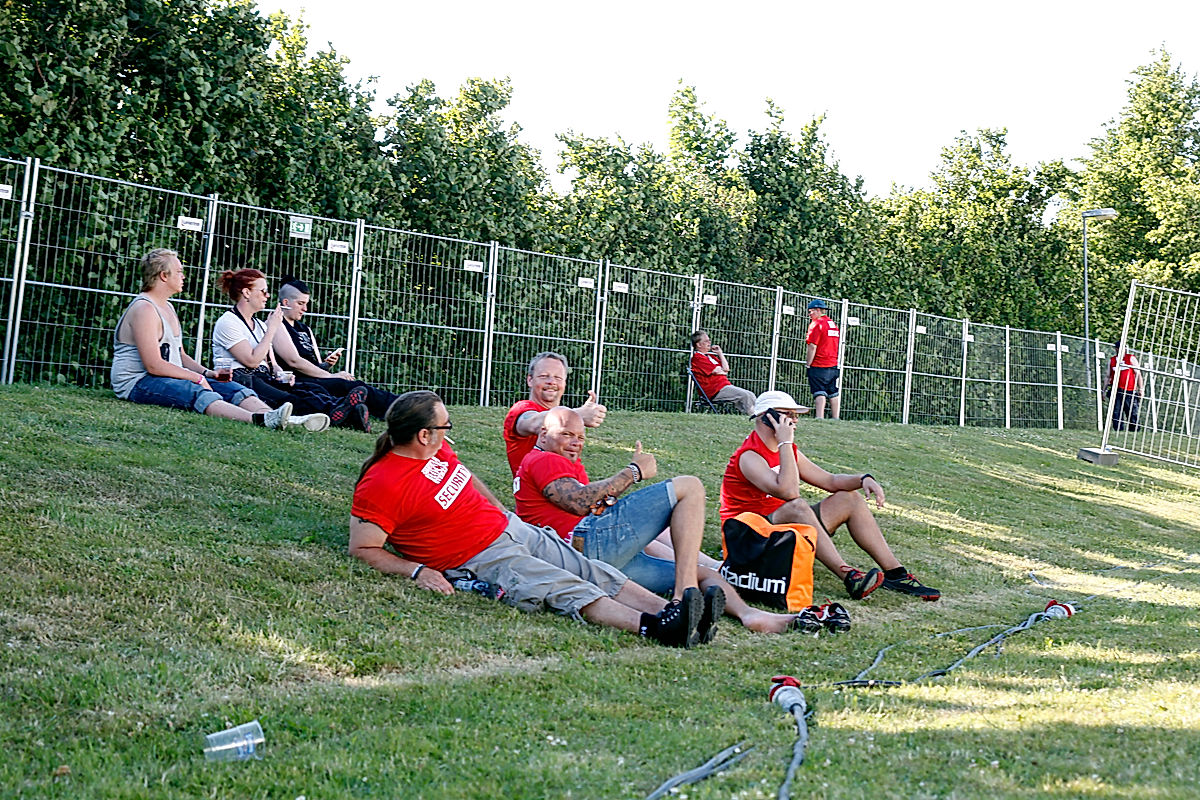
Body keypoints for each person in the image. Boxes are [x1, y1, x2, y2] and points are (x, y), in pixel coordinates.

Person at [349, 390, 715, 648]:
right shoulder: (382, 483)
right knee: (563, 585)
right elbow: (364, 547)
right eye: (445, 426)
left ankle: (674, 611)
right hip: (477, 556)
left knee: (588, 569)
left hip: (509, 528)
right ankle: (655, 628)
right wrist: (417, 571)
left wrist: (499, 509)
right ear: (423, 434)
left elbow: (464, 474)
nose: (449, 432)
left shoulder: (435, 448)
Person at [514, 407, 808, 635]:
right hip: (582, 547)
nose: (575, 443)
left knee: (699, 572)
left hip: (597, 560)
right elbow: (578, 502)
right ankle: (683, 596)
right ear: (542, 433)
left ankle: (750, 615)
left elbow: (585, 501)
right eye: (566, 434)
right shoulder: (542, 459)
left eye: (580, 437)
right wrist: (633, 472)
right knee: (690, 486)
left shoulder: (560, 463)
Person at [720, 390, 940, 601]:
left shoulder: (787, 450)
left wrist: (863, 478)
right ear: (767, 418)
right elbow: (789, 492)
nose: (795, 421)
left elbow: (829, 481)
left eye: (796, 416)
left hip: (779, 529)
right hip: (748, 540)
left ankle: (896, 574)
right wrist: (786, 441)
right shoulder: (749, 456)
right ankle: (848, 576)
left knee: (849, 498)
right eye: (788, 415)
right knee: (797, 506)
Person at [110, 248, 293, 430]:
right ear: (164, 276)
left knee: (234, 388)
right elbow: (153, 365)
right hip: (138, 381)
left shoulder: (167, 308)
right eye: (179, 272)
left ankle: (274, 417)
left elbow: (179, 355)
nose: (183, 276)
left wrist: (207, 374)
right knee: (196, 391)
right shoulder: (145, 309)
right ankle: (258, 420)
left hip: (164, 376)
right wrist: (196, 378)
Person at [210, 269, 364, 431]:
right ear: (247, 293)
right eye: (263, 292)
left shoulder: (260, 325)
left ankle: (344, 410)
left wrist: (280, 373)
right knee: (288, 399)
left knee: (308, 388)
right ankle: (341, 412)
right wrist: (272, 329)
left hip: (263, 375)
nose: (267, 296)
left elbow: (271, 363)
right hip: (242, 378)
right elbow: (251, 361)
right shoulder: (228, 322)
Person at [270, 277, 399, 427]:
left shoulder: (305, 329)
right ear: (286, 303)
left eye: (306, 303)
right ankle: (402, 407)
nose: (305, 309)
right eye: (301, 304)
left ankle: (359, 413)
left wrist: (326, 365)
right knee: (352, 385)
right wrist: (330, 376)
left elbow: (316, 365)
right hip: (298, 381)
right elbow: (294, 361)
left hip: (316, 377)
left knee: (350, 385)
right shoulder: (276, 324)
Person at [503, 351, 607, 475]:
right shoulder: (521, 410)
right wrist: (576, 415)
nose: (551, 382)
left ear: (564, 383)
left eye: (558, 378)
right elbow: (532, 422)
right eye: (544, 376)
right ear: (530, 380)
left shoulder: (566, 415)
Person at [689, 330, 756, 415]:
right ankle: (754, 417)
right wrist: (721, 371)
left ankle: (755, 415)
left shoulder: (710, 357)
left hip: (724, 387)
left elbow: (726, 369)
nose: (709, 342)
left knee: (750, 395)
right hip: (715, 390)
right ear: (698, 344)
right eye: (706, 341)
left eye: (709, 340)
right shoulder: (698, 358)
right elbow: (717, 371)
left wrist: (720, 353)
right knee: (745, 395)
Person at [805, 299, 841, 420]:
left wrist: (808, 363)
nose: (809, 314)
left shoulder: (816, 324)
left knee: (819, 391)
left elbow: (812, 346)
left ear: (818, 310)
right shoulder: (832, 324)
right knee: (832, 391)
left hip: (819, 364)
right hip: (833, 363)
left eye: (811, 311)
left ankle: (819, 417)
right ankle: (836, 417)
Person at [1106, 341, 1143, 431]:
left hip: (1129, 390)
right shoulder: (1113, 360)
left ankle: (1134, 429)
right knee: (1116, 412)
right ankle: (1118, 429)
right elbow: (1108, 376)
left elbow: (1138, 373)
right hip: (1116, 390)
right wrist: (1104, 390)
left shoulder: (1130, 358)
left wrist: (1141, 388)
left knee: (1132, 411)